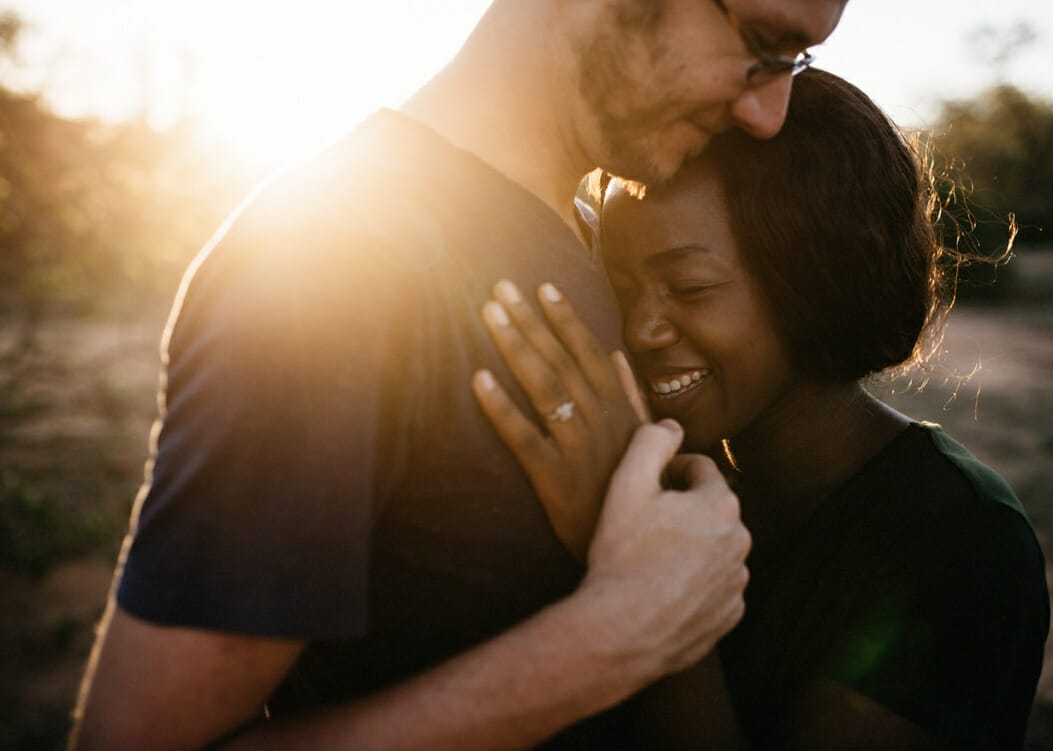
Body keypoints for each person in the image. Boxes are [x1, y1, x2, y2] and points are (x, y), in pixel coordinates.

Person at [70, 1, 849, 749]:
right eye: (763, 45)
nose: (767, 114)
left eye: (796, 61)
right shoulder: (337, 257)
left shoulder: (588, 232)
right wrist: (620, 634)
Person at [472, 69, 1049, 750]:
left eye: (688, 286)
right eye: (623, 285)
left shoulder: (960, 543)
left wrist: (644, 571)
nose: (642, 327)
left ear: (817, 280)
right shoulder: (666, 456)